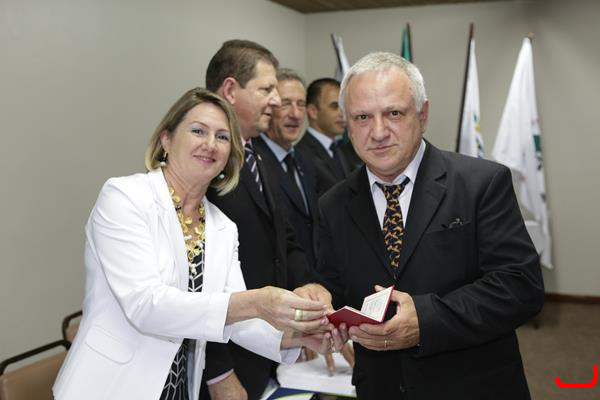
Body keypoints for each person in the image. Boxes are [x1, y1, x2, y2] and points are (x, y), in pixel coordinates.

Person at [52, 88, 335, 400]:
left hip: (181, 390)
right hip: (112, 387)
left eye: (223, 137)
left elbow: (237, 321)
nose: (210, 144)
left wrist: (296, 337)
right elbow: (145, 304)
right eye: (198, 131)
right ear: (166, 139)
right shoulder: (125, 197)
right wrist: (257, 301)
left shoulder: (222, 226)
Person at [316, 52, 545, 399]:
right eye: (362, 117)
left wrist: (427, 320)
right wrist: (319, 301)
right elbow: (335, 288)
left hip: (472, 386)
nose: (378, 132)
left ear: (422, 115)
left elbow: (520, 286)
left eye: (394, 113)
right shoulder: (332, 204)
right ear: (347, 124)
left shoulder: (481, 183)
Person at [201, 41, 337, 400]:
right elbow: (193, 283)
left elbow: (285, 241)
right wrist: (218, 372)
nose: (276, 101)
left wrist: (308, 285)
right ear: (231, 91)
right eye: (267, 90)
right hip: (224, 362)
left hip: (265, 353)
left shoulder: (259, 158)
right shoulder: (203, 164)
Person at [253, 68, 319, 268]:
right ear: (270, 106)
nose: (296, 114)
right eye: (286, 104)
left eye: (301, 104)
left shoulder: (306, 160)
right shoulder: (253, 162)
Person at [297, 78, 350, 196]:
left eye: (343, 106)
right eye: (334, 106)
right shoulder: (302, 154)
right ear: (313, 111)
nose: (343, 113)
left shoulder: (337, 149)